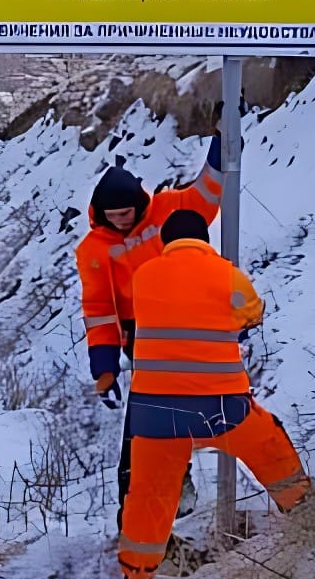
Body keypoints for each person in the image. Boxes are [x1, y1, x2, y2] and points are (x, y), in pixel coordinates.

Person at [115, 209, 309, 579]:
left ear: (166, 242)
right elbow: (251, 315)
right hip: (220, 407)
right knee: (269, 445)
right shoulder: (228, 275)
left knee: (149, 494)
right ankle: (304, 512)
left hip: (154, 412)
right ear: (205, 240)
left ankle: (137, 577)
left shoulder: (144, 275)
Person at [78, 134, 224, 505]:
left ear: (139, 204)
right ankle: (153, 491)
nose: (119, 222)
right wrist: (104, 367)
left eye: (125, 214)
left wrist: (222, 140)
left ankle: (164, 485)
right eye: (111, 216)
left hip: (192, 324)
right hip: (142, 338)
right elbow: (98, 308)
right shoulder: (94, 250)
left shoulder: (169, 210)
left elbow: (208, 193)